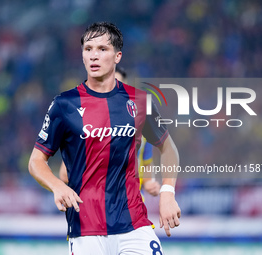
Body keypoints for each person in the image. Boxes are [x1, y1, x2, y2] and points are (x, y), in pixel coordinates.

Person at [28, 22, 180, 255]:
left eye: (102, 49)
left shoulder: (141, 102)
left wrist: (167, 194)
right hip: (85, 228)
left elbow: (168, 148)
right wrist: (57, 186)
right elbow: (36, 161)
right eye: (88, 49)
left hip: (134, 224)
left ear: (117, 56)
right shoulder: (64, 105)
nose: (94, 56)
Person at [59, 66, 161, 197]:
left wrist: (148, 183)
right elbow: (64, 174)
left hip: (132, 205)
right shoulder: (85, 127)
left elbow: (146, 162)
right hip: (98, 207)